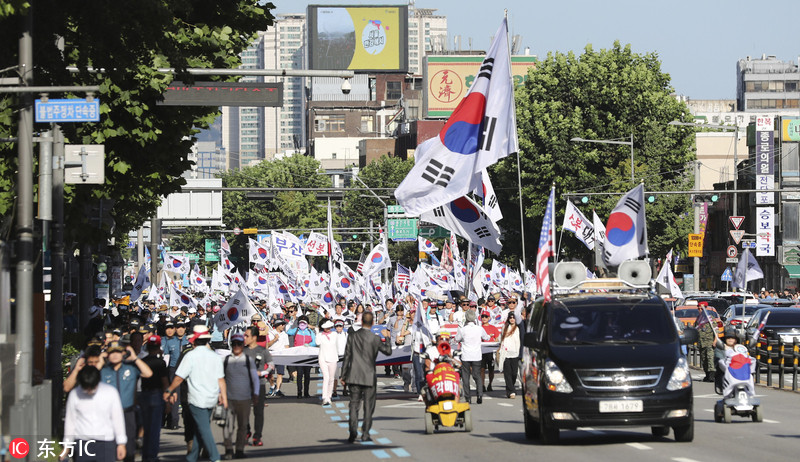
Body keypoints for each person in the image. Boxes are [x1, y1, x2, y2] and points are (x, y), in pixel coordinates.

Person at [164, 325, 227, 462]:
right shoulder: (214, 356)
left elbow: (179, 377)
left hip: (196, 399)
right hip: (211, 398)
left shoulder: (190, 355)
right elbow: (221, 379)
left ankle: (215, 457)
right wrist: (223, 396)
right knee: (200, 428)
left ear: (194, 340)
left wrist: (169, 390)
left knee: (203, 429)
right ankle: (192, 457)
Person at [340, 312, 392, 443]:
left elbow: (347, 356)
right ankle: (365, 433)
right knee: (369, 406)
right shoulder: (375, 338)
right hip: (369, 375)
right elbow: (388, 352)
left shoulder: (352, 336)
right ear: (373, 323)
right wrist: (388, 338)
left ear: (361, 322)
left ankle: (352, 431)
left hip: (354, 375)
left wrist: (343, 375)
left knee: (353, 405)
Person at [100, 341, 153, 462]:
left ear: (124, 353)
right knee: (109, 448)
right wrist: (100, 360)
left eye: (118, 352)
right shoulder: (104, 371)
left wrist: (135, 358)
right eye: (111, 352)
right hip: (107, 415)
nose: (115, 355)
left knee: (129, 449)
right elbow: (90, 376)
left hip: (127, 413)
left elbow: (148, 373)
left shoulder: (131, 368)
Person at [63, 366, 127, 462]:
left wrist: (121, 443)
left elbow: (117, 419)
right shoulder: (75, 394)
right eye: (86, 388)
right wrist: (67, 446)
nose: (89, 391)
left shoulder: (110, 393)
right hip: (82, 442)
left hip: (106, 442)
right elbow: (70, 421)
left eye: (92, 387)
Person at [222, 332, 259, 460]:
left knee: (242, 426)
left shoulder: (248, 360)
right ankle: (228, 449)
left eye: (239, 344)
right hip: (229, 399)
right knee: (228, 426)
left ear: (243, 345)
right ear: (231, 345)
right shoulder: (226, 360)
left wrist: (256, 394)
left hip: (245, 399)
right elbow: (220, 379)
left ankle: (239, 450)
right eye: (234, 344)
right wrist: (220, 395)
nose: (236, 346)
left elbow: (255, 378)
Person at [140, 335, 169, 462]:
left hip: (144, 395)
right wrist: (168, 400)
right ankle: (152, 455)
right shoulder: (161, 363)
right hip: (156, 395)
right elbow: (165, 383)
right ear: (158, 347)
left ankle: (145, 455)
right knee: (155, 428)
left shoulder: (143, 361)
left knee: (145, 427)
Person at [243, 325, 273, 446]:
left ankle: (257, 436)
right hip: (243, 385)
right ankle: (246, 431)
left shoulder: (263, 351)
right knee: (243, 411)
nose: (244, 338)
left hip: (259, 385)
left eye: (247, 336)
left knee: (258, 411)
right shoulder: (242, 350)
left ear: (254, 337)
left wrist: (262, 372)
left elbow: (271, 365)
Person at [455, 310, 490, 404]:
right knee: (477, 375)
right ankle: (479, 395)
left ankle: (468, 397)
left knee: (466, 377)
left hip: (466, 355)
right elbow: (486, 338)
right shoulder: (479, 329)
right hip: (476, 355)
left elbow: (456, 339)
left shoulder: (463, 329)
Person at [286, 315, 316, 398]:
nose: (302, 324)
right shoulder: (295, 330)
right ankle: (299, 392)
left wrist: (309, 345)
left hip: (308, 356)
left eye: (304, 322)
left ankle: (306, 393)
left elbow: (315, 342)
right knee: (299, 375)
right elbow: (287, 331)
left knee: (307, 375)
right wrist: (291, 322)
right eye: (301, 322)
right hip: (298, 356)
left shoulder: (310, 332)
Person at [162, 320, 182, 429]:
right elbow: (165, 357)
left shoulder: (183, 340)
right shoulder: (165, 341)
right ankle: (168, 420)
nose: (169, 330)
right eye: (167, 328)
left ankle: (173, 420)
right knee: (170, 394)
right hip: (171, 369)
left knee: (176, 395)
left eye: (171, 328)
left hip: (182, 370)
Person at [316, 319, 340, 405]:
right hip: (323, 358)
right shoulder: (320, 335)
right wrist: (317, 332)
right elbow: (317, 342)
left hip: (333, 358)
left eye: (329, 327)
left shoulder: (334, 334)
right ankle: (324, 397)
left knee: (331, 378)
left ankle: (329, 396)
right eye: (326, 327)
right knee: (326, 377)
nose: (328, 329)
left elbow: (336, 344)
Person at [497, 315, 521, 399]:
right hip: (506, 353)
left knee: (514, 373)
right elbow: (500, 338)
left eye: (513, 317)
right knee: (507, 373)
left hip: (515, 353)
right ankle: (511, 391)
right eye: (510, 318)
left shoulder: (518, 328)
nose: (512, 319)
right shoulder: (505, 327)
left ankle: (509, 388)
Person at [695, 303, 717, 382]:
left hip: (709, 342)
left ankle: (712, 376)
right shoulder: (698, 319)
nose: (699, 310)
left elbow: (716, 331)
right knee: (704, 359)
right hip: (701, 342)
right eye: (698, 308)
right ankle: (707, 375)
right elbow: (696, 330)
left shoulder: (710, 318)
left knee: (710, 358)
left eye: (701, 308)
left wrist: (715, 341)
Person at [266, 318, 288, 397]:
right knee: (270, 374)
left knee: (280, 373)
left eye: (284, 324)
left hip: (281, 355)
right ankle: (272, 386)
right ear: (277, 325)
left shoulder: (285, 334)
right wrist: (275, 339)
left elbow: (286, 346)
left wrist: (287, 353)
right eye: (282, 324)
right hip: (272, 354)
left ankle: (278, 390)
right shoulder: (270, 333)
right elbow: (267, 345)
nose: (283, 326)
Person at [479, 311, 500, 392]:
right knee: (482, 369)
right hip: (482, 351)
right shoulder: (479, 328)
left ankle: (490, 384)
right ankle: (482, 385)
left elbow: (497, 339)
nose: (484, 318)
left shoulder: (493, 328)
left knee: (491, 369)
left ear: (489, 318)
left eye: (486, 316)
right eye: (483, 316)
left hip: (491, 351)